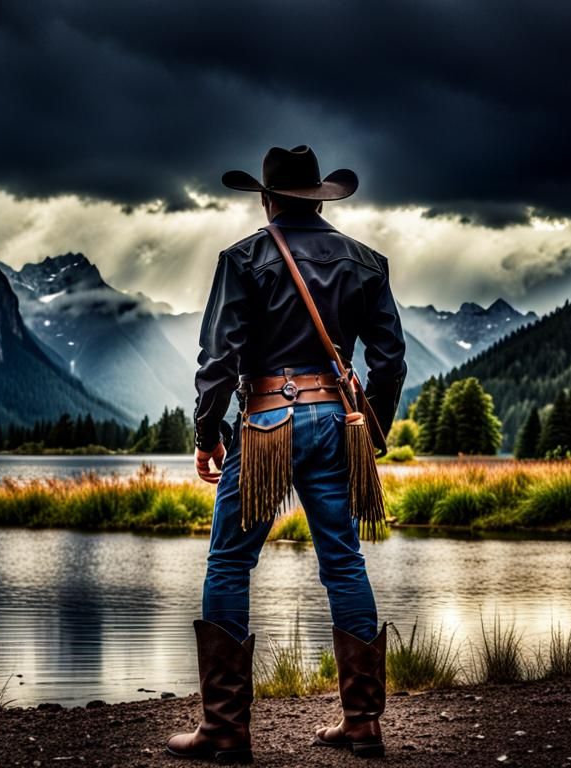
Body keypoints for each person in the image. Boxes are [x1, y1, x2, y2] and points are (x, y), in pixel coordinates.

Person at [166, 145, 406, 764]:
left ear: (267, 199)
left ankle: (224, 729)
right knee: (345, 563)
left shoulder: (244, 258)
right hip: (334, 421)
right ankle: (362, 725)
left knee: (228, 563)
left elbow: (217, 360)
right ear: (319, 198)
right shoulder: (366, 263)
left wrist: (206, 433)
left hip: (268, 422)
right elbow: (390, 360)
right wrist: (370, 427)